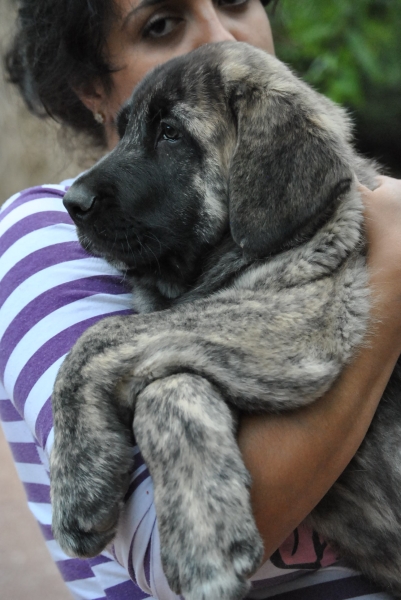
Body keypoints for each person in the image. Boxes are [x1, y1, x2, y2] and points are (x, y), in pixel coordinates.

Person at [1, 0, 401, 598]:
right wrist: (392, 276)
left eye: (237, 1)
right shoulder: (43, 235)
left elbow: (307, 331)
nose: (217, 35)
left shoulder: (338, 204)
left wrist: (119, 358)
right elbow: (166, 557)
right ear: (91, 88)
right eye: (160, 25)